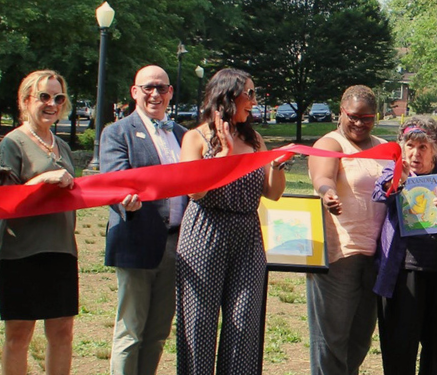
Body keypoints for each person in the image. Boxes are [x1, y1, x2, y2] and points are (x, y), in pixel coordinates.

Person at [173, 68, 288, 375]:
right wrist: (223, 156)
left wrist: (276, 166)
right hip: (205, 231)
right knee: (199, 322)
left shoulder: (255, 139)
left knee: (244, 321)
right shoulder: (194, 138)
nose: (253, 100)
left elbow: (273, 193)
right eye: (248, 93)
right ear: (227, 96)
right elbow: (194, 192)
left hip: (248, 235)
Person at [0, 70, 80, 375]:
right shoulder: (12, 144)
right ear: (26, 100)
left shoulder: (62, 147)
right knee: (18, 336)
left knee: (63, 332)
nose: (52, 103)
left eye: (58, 97)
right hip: (20, 252)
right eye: (44, 96)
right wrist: (41, 180)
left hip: (62, 250)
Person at [98, 65, 185, 375]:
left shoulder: (182, 135)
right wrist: (127, 203)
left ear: (171, 93)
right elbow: (114, 179)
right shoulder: (117, 132)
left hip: (176, 245)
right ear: (134, 91)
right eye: (147, 87)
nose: (155, 94)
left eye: (162, 88)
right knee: (130, 332)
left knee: (158, 334)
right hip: (136, 240)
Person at [370, 117, 437, 375]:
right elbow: (381, 191)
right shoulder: (395, 171)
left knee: (435, 348)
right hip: (403, 276)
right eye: (410, 146)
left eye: (423, 147)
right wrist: (399, 178)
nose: (415, 154)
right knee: (398, 352)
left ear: (436, 148)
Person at [307, 85, 393, 375]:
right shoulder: (331, 144)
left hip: (377, 256)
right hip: (340, 254)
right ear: (341, 112)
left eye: (367, 118)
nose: (359, 123)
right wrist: (326, 193)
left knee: (360, 339)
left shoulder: (383, 147)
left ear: (376, 117)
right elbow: (322, 175)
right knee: (332, 340)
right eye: (353, 116)